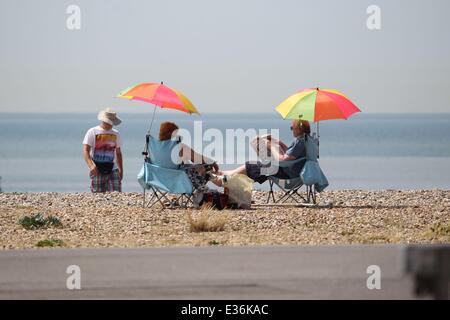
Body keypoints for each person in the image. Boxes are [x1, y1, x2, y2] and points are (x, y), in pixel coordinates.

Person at [222, 120, 311, 183]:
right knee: (253, 164)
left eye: (292, 127)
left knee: (250, 166)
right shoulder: (307, 140)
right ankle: (224, 174)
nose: (291, 130)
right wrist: (279, 143)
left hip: (286, 173)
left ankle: (224, 177)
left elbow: (282, 159)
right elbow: (292, 155)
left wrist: (271, 146)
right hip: (292, 170)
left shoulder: (299, 142)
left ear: (299, 129)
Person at [156, 121, 221, 189]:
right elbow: (197, 158)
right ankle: (204, 187)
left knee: (185, 163)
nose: (178, 136)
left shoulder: (155, 147)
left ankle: (213, 179)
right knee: (206, 166)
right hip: (179, 182)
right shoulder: (178, 147)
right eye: (176, 134)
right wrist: (212, 163)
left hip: (160, 181)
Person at [82, 108, 123, 193]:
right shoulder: (92, 132)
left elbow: (118, 153)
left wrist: (121, 169)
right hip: (97, 169)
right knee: (97, 197)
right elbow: (86, 151)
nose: (110, 125)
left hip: (113, 169)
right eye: (109, 122)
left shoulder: (116, 133)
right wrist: (91, 166)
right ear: (103, 120)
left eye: (112, 123)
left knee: (117, 195)